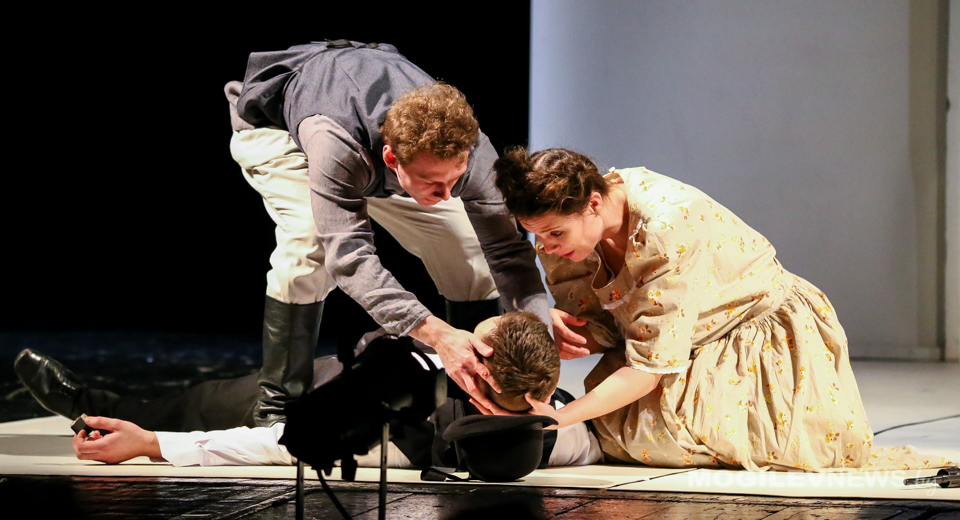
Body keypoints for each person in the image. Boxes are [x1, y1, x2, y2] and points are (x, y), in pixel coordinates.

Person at [491, 147, 952, 472]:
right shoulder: (570, 233)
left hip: (752, 330)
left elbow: (650, 366)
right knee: (619, 429)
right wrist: (570, 331)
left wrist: (559, 418)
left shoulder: (666, 225)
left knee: (662, 439)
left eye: (555, 233)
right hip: (677, 339)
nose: (545, 246)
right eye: (537, 234)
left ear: (593, 203)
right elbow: (610, 322)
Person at [224, 40, 558, 425]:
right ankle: (280, 405)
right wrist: (438, 335)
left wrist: (540, 340)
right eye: (433, 183)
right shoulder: (335, 144)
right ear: (392, 160)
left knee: (466, 243)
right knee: (310, 243)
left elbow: (507, 251)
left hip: (372, 140)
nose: (446, 194)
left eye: (455, 179)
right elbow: (350, 259)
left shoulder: (474, 153)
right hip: (281, 130)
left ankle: (471, 390)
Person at [15, 312, 601, 469]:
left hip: (310, 400)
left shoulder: (407, 434)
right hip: (336, 370)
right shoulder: (560, 423)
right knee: (199, 397)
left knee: (191, 407)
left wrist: (153, 446)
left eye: (473, 344)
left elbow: (282, 443)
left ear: (482, 383)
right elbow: (586, 436)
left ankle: (88, 405)